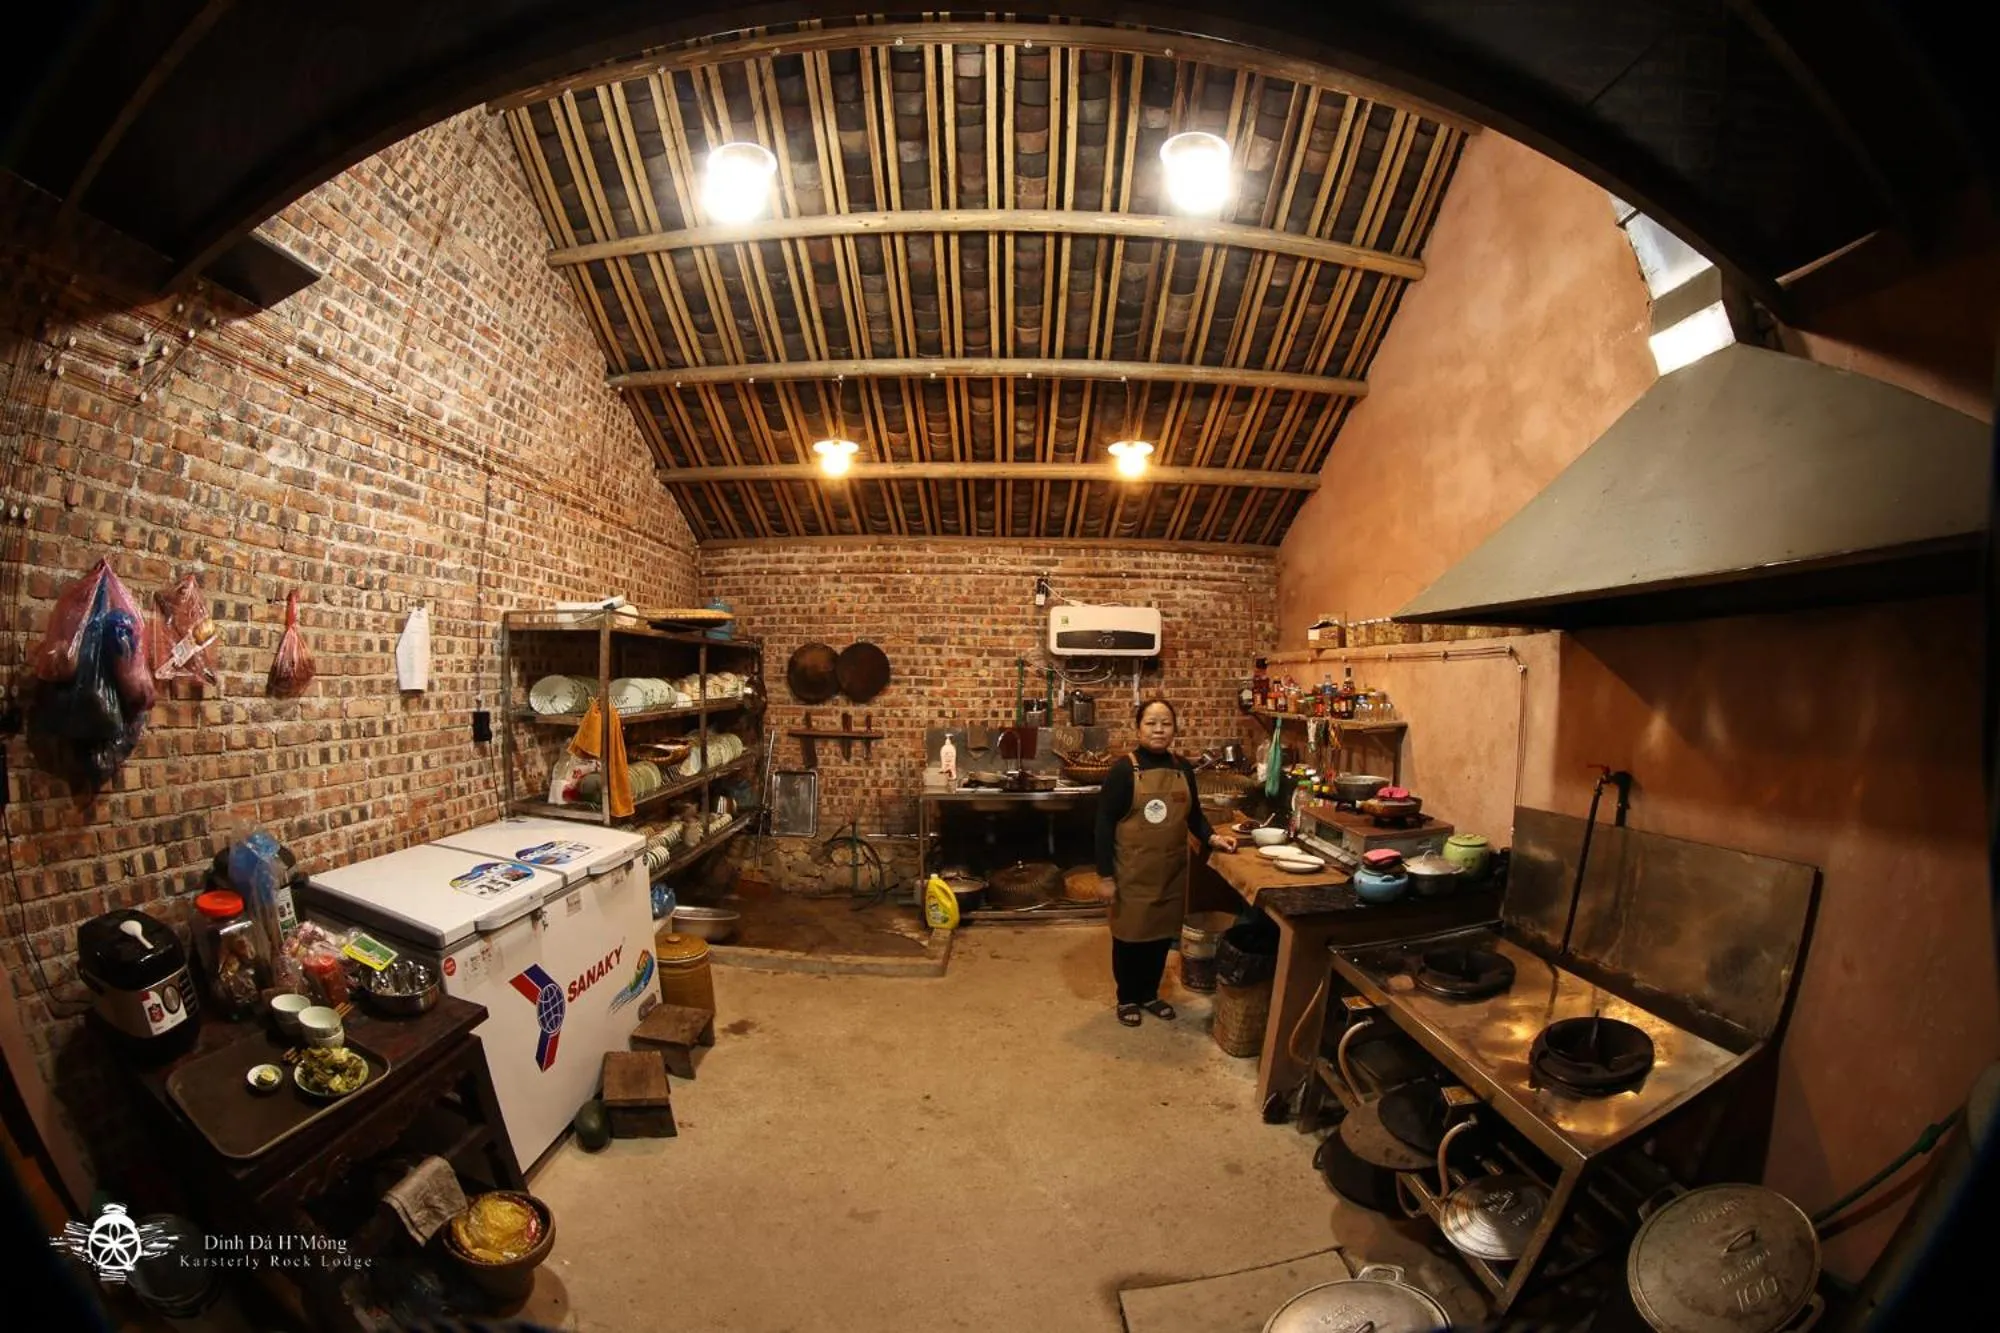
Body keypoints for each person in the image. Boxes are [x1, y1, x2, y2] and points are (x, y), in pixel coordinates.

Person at [1095, 697, 1238, 1026]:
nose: (1159, 729)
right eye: (1151, 723)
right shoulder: (1123, 771)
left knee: (1160, 939)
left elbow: (1194, 816)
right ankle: (1127, 998)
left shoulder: (1182, 768)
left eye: (1166, 723)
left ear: (1174, 729)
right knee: (1129, 940)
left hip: (1170, 875)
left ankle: (1149, 994)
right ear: (1138, 729)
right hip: (1131, 875)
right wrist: (1105, 877)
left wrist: (1211, 838)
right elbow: (1103, 826)